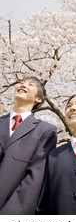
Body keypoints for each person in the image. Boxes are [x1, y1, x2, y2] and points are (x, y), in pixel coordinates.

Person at [0, 76, 57, 214]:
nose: (23, 85)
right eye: (21, 82)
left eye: (30, 84)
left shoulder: (45, 130)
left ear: (38, 99)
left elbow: (35, 178)